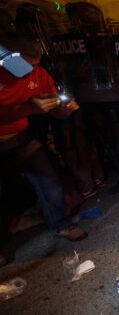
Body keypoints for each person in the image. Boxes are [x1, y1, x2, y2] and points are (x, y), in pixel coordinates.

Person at [0, 33, 88, 266]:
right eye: (25, 64)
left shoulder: (38, 73)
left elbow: (52, 109)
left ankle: (61, 224)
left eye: (36, 64)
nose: (32, 71)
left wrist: (64, 109)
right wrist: (30, 108)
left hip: (22, 137)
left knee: (49, 181)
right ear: (9, 57)